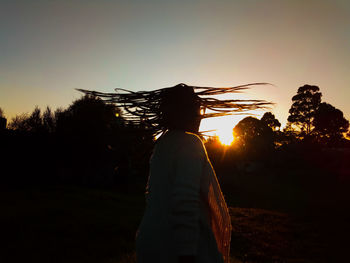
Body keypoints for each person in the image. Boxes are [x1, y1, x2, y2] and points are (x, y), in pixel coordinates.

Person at [78, 83, 271, 263]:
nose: (201, 116)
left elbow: (154, 195)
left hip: (150, 243)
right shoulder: (191, 143)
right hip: (175, 250)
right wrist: (186, 254)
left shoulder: (163, 144)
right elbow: (185, 200)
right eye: (198, 110)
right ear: (186, 113)